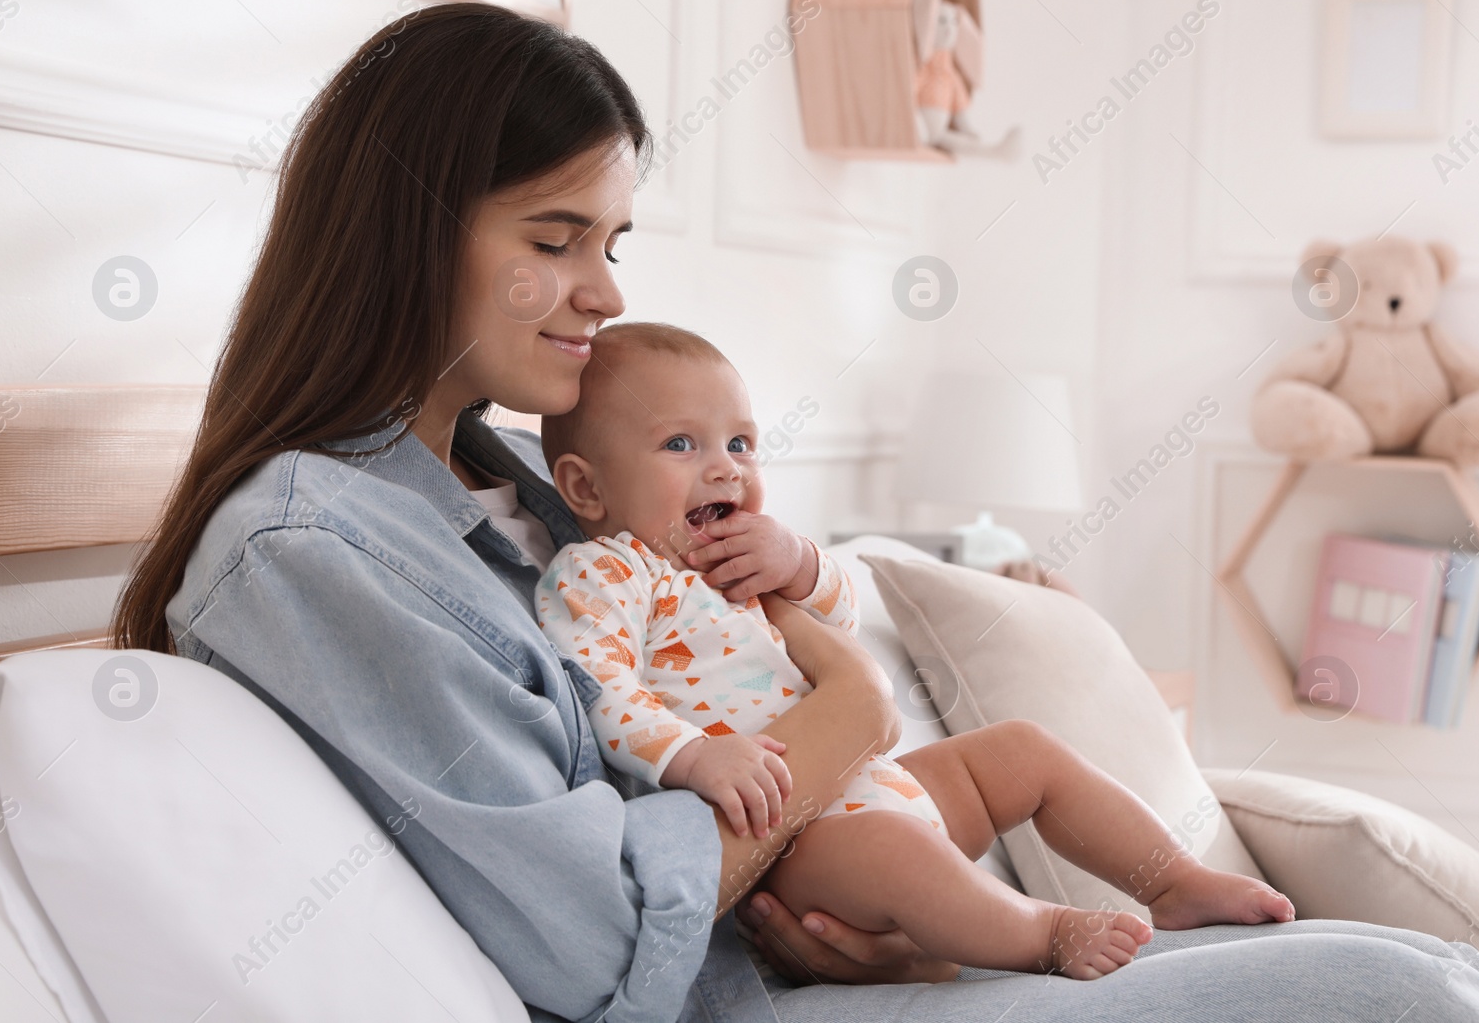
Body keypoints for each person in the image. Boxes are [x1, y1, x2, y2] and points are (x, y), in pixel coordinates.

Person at [110, 1, 1479, 1023]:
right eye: (555, 239)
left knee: (1439, 979)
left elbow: (720, 774)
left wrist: (856, 904)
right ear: (405, 234)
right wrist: (844, 715)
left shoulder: (518, 488)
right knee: (1414, 990)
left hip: (816, 954)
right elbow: (598, 935)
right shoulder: (311, 547)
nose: (605, 291)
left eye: (612, 241)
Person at [534, 322, 1293, 979]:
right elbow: (598, 686)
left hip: (868, 779)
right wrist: (698, 756)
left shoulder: (741, 563)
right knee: (897, 850)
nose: (727, 467)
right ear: (587, 487)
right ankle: (1042, 933)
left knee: (1021, 752)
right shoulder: (608, 571)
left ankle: (1171, 878)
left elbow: (842, 610)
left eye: (740, 442)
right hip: (791, 838)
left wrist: (800, 562)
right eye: (680, 443)